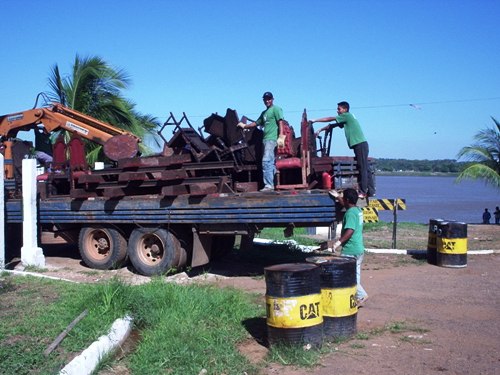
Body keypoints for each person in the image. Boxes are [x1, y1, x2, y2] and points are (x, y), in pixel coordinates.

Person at [310, 101, 375, 199]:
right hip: (360, 145)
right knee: (366, 168)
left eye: (339, 109)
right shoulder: (346, 118)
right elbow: (332, 125)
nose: (337, 111)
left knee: (363, 168)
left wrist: (315, 120)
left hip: (360, 144)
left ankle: (363, 191)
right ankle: (371, 191)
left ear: (345, 109)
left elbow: (330, 119)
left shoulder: (347, 116)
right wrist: (320, 130)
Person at [237, 91, 285, 191]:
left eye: (269, 99)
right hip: (266, 140)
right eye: (265, 99)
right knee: (271, 162)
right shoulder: (264, 113)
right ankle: (273, 184)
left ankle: (268, 185)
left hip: (272, 139)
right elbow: (256, 123)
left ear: (272, 99)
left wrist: (280, 135)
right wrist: (244, 125)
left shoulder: (276, 109)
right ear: (263, 100)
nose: (267, 101)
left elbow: (280, 122)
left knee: (266, 161)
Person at [331, 188, 368, 306]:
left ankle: (361, 295)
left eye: (343, 197)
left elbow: (350, 230)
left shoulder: (350, 213)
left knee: (347, 275)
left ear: (347, 199)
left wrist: (338, 242)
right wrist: (337, 197)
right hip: (359, 249)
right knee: (355, 275)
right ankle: (358, 296)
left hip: (350, 250)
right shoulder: (357, 210)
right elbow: (347, 206)